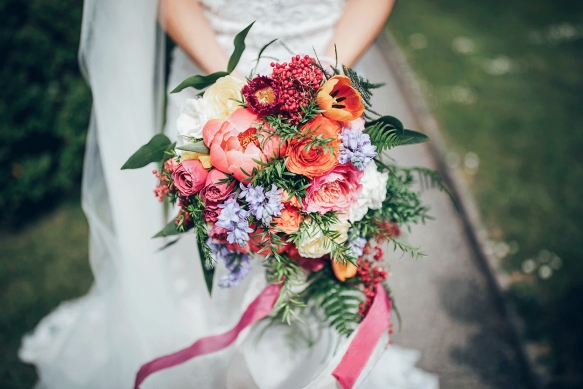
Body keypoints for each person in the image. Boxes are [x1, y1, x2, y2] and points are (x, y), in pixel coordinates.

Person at [20, 1, 439, 388]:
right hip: (214, 82)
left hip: (329, 83)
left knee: (320, 251)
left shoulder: (328, 83)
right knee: (205, 260)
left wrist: (322, 80)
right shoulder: (219, 88)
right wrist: (234, 90)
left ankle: (305, 369)